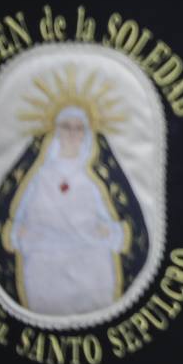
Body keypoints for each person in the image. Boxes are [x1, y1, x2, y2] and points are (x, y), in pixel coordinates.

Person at [8, 105, 126, 315]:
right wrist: (19, 231)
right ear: (56, 130)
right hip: (44, 255)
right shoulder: (37, 174)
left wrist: (109, 230)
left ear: (86, 133)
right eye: (66, 126)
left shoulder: (96, 175)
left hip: (88, 255)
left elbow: (113, 215)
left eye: (79, 128)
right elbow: (17, 213)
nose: (72, 133)